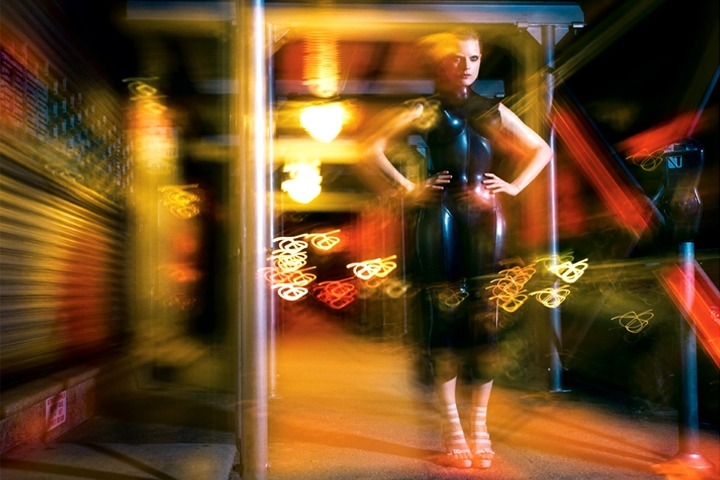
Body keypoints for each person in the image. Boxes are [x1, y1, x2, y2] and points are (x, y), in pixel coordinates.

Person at [364, 28, 553, 469]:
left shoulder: (492, 109)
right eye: (456, 57)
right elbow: (370, 149)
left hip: (486, 215)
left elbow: (541, 150)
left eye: (473, 58)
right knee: (444, 316)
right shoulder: (425, 109)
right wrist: (408, 188)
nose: (466, 66)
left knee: (486, 318)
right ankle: (452, 427)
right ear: (439, 62)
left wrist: (512, 186)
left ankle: (480, 426)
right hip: (440, 213)